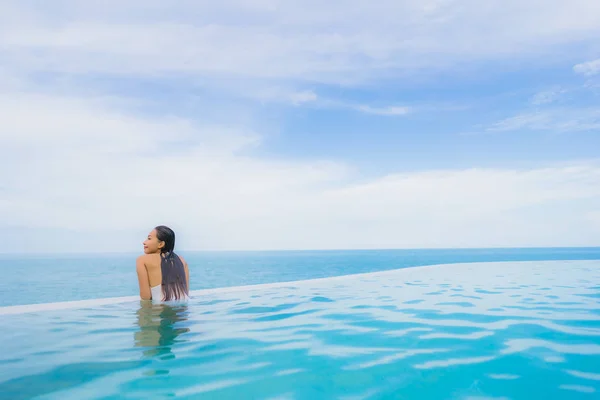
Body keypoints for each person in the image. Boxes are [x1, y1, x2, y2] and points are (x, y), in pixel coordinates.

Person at [136, 225, 190, 302]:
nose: (144, 242)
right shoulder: (182, 261)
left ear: (160, 244)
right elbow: (186, 292)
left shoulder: (142, 260)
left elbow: (146, 297)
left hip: (160, 309)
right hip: (182, 311)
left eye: (149, 238)